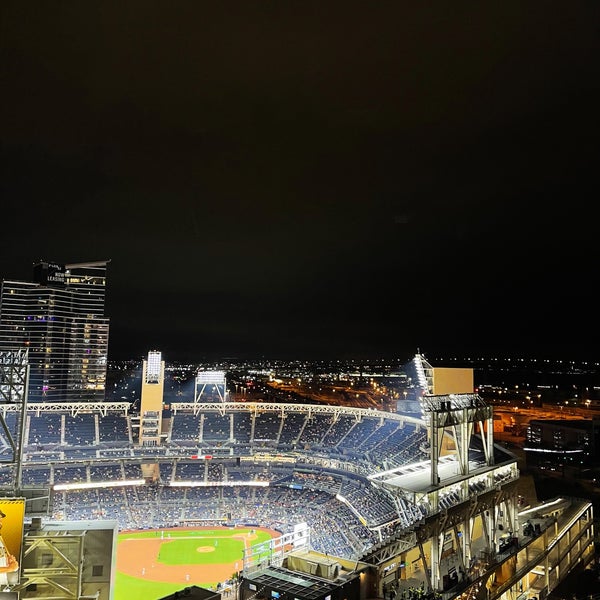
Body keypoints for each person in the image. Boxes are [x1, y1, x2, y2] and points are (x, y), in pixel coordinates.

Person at [0, 509, 19, 586]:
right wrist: (10, 568)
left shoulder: (0, 539)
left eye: (1, 519)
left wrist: (9, 563)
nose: (1, 522)